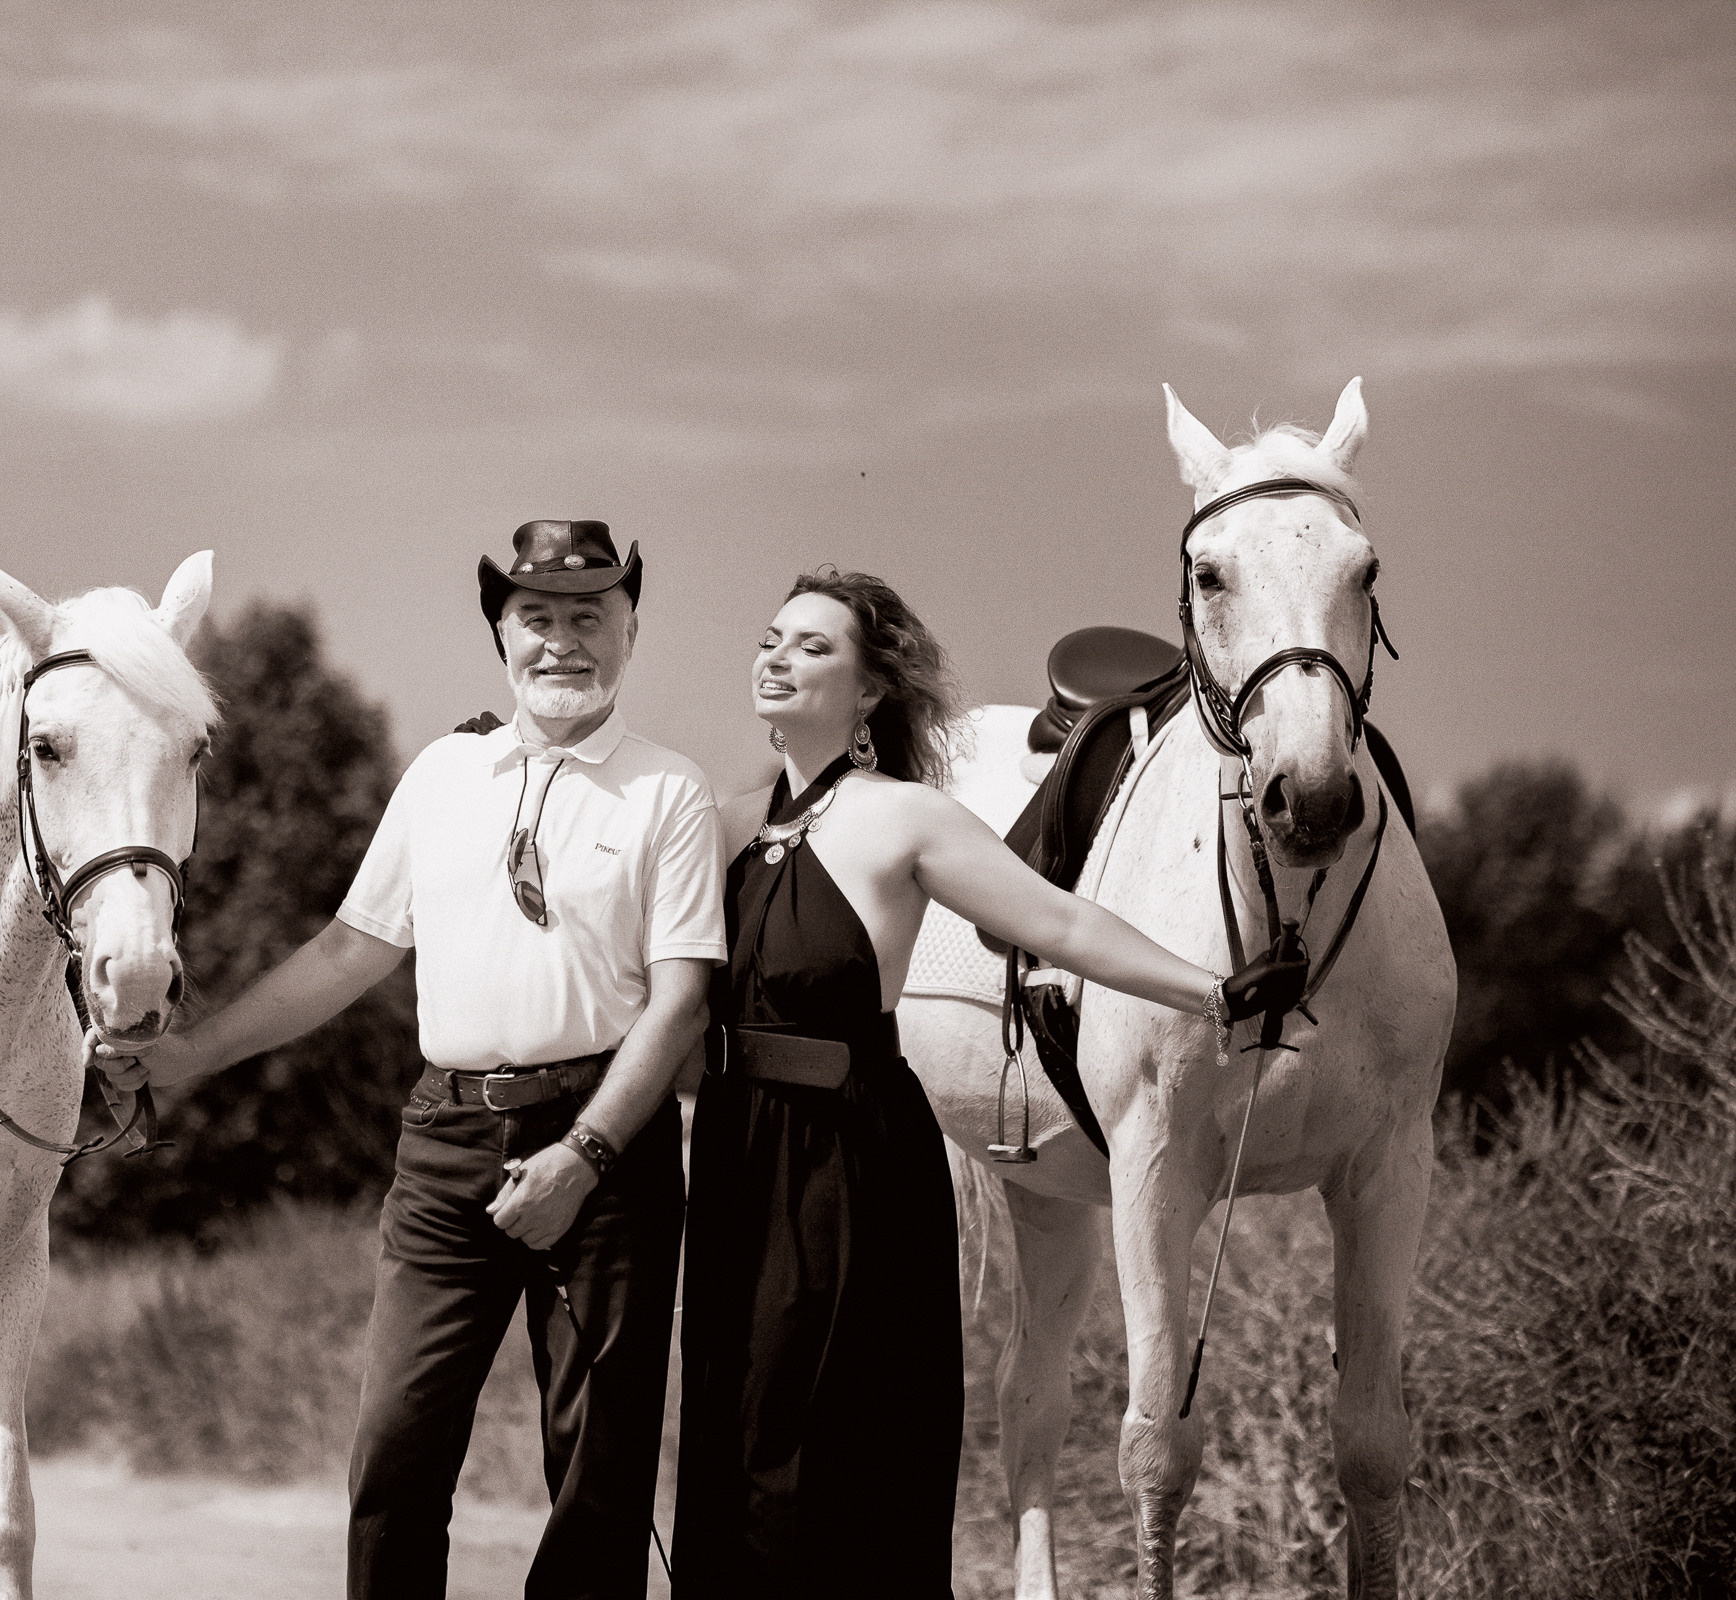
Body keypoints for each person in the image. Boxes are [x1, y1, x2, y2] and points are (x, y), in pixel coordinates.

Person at [106, 520, 724, 1600]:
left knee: (599, 1474)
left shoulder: (669, 791)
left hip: (606, 1155)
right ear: (501, 631)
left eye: (591, 616)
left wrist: (580, 1155)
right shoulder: (441, 773)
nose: (563, 643)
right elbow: (350, 949)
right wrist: (187, 1056)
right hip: (444, 1147)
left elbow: (680, 1005)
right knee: (393, 1456)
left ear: (632, 628)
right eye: (538, 618)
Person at [670, 569, 1306, 1598]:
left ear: (871, 692)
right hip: (737, 1155)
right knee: (733, 1426)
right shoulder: (722, 820)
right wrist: (531, 766)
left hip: (848, 1160)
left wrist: (1217, 991)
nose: (777, 657)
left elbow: (1060, 924)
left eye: (812, 646)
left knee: (828, 1441)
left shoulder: (909, 820)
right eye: (769, 638)